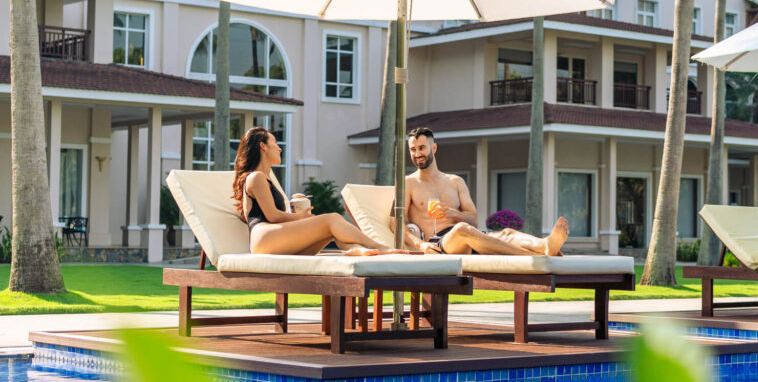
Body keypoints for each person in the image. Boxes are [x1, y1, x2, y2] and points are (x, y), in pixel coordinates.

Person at [234, 126, 405, 256]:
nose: (280, 148)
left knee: (331, 229)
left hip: (273, 238)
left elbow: (278, 217)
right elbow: (273, 216)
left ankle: (356, 249)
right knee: (332, 219)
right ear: (263, 146)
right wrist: (301, 217)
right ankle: (380, 247)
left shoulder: (267, 178)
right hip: (263, 238)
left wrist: (299, 215)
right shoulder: (256, 177)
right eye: (275, 144)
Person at [399, 127, 570, 255]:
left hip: (472, 236)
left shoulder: (455, 181)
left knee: (507, 233)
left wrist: (453, 214)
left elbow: (473, 219)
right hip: (439, 244)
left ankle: (545, 245)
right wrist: (420, 244)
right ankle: (530, 257)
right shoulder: (408, 183)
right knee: (461, 229)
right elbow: (396, 223)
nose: (417, 153)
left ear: (434, 148)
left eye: (421, 148)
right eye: (413, 150)